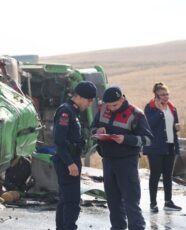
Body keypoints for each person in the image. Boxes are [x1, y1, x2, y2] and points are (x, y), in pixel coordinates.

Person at [92, 86, 153, 230]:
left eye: (115, 105)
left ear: (122, 98)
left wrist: (125, 139)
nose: (111, 108)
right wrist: (97, 131)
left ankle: (137, 227)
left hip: (127, 161)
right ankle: (117, 227)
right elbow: (92, 128)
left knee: (130, 200)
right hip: (107, 160)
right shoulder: (102, 109)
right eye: (109, 106)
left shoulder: (136, 114)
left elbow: (148, 139)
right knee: (112, 200)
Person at [53, 81, 97, 230]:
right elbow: (59, 140)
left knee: (65, 200)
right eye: (89, 100)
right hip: (67, 161)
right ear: (78, 97)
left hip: (71, 160)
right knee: (71, 201)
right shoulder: (66, 112)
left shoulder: (74, 111)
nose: (90, 104)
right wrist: (70, 163)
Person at [143, 82, 182, 212]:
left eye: (167, 94)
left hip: (170, 145)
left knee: (168, 175)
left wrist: (176, 127)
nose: (166, 97)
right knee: (155, 174)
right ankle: (153, 203)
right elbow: (149, 125)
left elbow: (171, 124)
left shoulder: (172, 107)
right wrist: (160, 112)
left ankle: (168, 201)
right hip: (155, 147)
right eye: (162, 95)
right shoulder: (150, 107)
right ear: (156, 96)